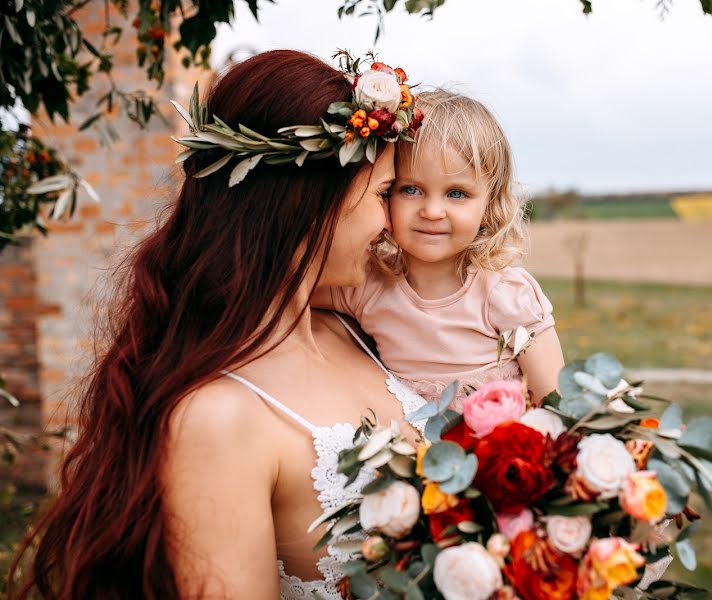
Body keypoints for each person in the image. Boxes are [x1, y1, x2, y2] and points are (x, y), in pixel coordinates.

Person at [12, 50, 426, 600]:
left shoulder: (354, 330)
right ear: (309, 200)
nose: (391, 220)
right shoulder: (218, 419)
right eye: (382, 194)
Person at [314, 90, 565, 406]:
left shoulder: (506, 296)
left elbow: (556, 404)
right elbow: (286, 291)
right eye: (411, 189)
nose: (432, 211)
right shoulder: (367, 285)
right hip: (409, 451)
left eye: (457, 194)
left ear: (490, 206)